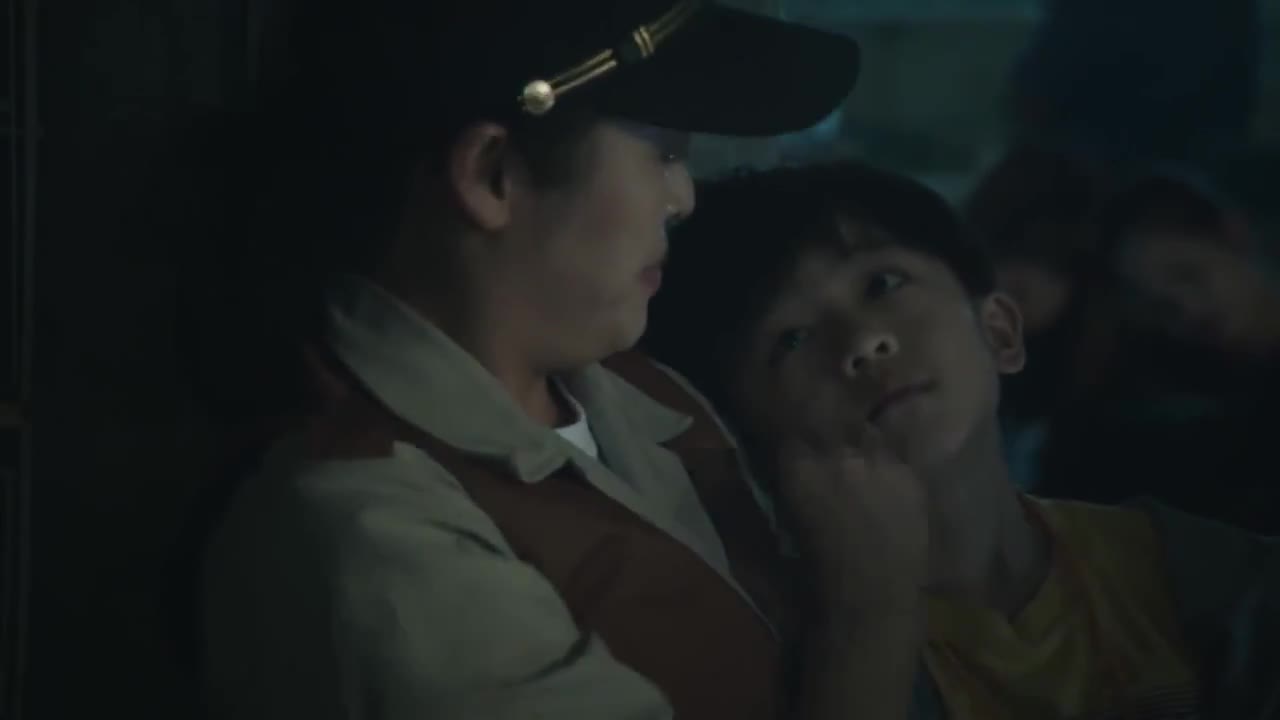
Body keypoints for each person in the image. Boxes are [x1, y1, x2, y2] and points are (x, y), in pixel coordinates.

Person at [193, 1, 922, 718]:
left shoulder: (637, 388)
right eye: (663, 151)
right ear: (494, 175)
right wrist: (872, 618)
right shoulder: (373, 535)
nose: (683, 198)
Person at [642, 161, 1280, 719]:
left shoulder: (1199, 576)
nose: (862, 342)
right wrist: (867, 620)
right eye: (791, 338)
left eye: (883, 285)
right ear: (746, 435)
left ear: (999, 331)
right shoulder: (759, 651)